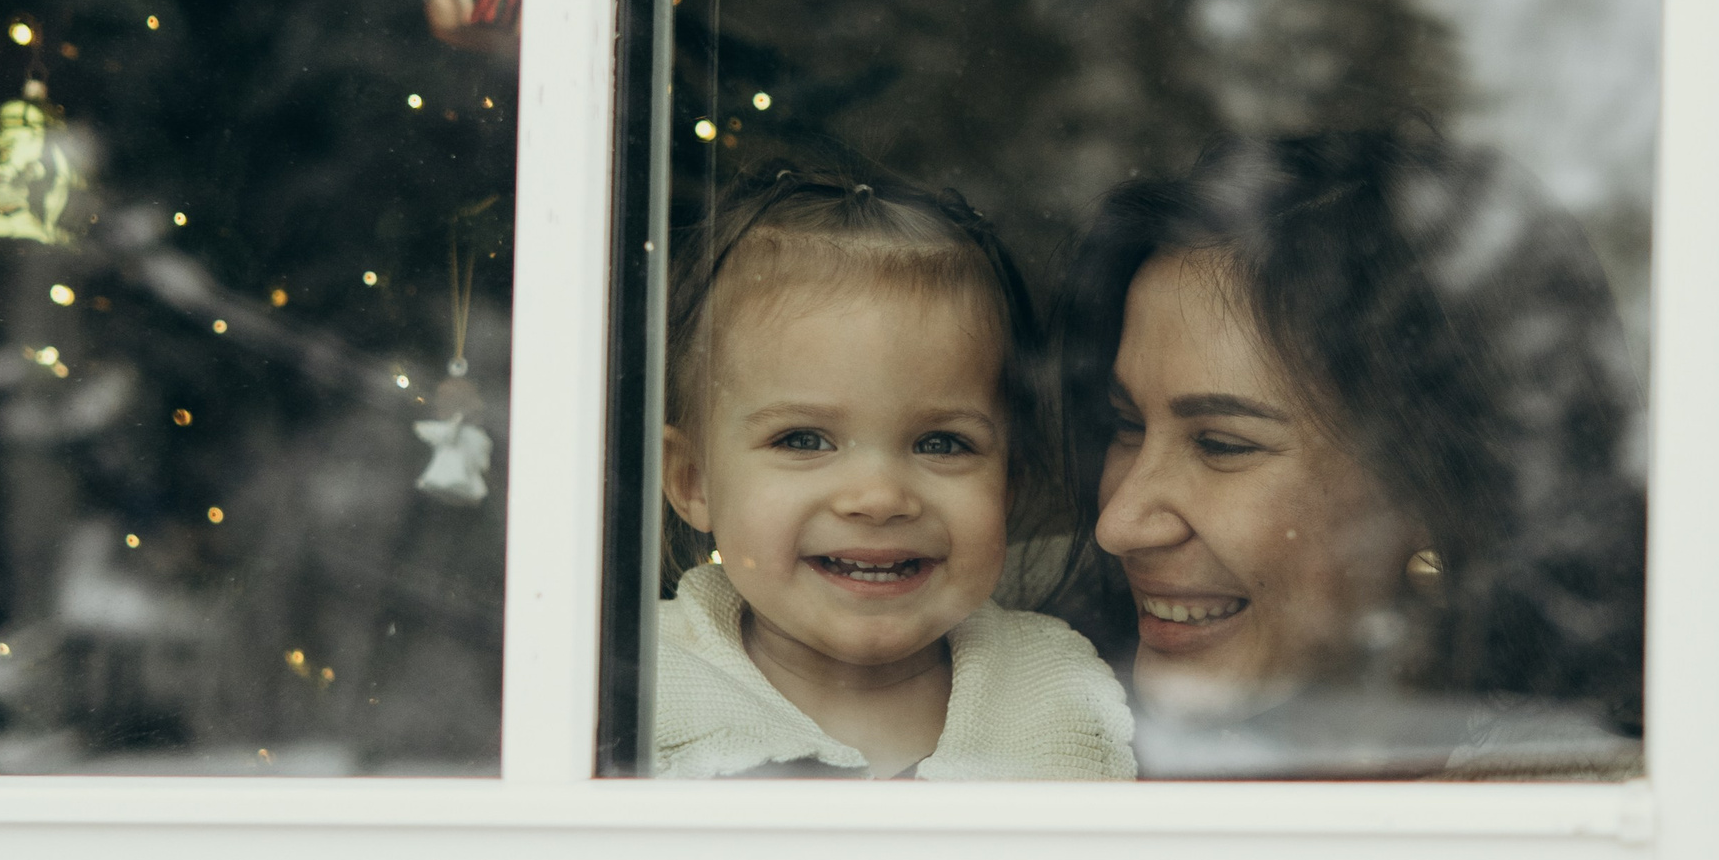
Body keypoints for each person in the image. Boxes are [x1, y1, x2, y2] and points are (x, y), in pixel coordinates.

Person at [1052, 132, 1646, 775]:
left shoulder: (1585, 805)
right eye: (1126, 424)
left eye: (1221, 445)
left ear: (1432, 488)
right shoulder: (1022, 708)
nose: (1118, 525)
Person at [656, 165, 1136, 779]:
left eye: (942, 444)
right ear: (692, 481)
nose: (880, 497)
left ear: (1008, 487)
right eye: (804, 440)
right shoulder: (638, 685)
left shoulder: (1056, 696)